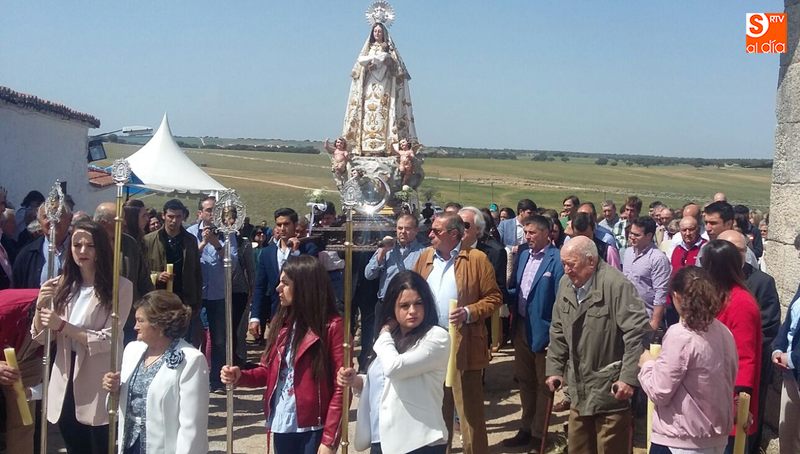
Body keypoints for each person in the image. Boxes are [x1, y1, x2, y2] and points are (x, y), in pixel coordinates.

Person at [221, 255, 345, 454]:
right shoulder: (282, 323)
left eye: (285, 283)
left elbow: (342, 387)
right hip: (282, 419)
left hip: (313, 426)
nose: (278, 288)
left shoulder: (331, 326)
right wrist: (241, 376)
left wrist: (329, 439)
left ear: (304, 287)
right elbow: (268, 371)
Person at [30, 220, 133, 454]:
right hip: (65, 373)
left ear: (100, 250)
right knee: (73, 443)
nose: (82, 251)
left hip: (97, 376)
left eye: (90, 246)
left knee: (98, 444)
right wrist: (40, 306)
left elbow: (109, 339)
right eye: (77, 245)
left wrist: (63, 326)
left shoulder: (121, 288)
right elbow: (41, 338)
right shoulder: (62, 285)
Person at [545, 236, 650, 453]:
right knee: (579, 447)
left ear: (591, 261)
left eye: (571, 264)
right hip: (578, 388)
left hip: (610, 390)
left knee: (610, 448)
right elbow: (558, 330)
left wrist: (628, 378)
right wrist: (554, 369)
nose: (566, 270)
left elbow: (636, 334)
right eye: (563, 263)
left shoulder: (617, 285)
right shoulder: (566, 284)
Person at [412, 213, 502, 454]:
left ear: (453, 235)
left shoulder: (476, 259)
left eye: (436, 231)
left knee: (469, 412)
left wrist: (469, 312)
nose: (430, 234)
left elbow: (494, 298)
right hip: (430, 345)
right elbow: (411, 292)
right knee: (436, 409)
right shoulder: (425, 258)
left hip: (464, 346)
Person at [337, 271, 449, 454]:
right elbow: (385, 383)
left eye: (418, 303)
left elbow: (395, 368)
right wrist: (356, 380)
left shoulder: (436, 337)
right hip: (382, 439)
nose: (412, 311)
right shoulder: (390, 340)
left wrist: (384, 332)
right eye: (404, 305)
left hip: (419, 442)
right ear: (392, 309)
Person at [638, 266, 738, 454]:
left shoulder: (680, 335)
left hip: (680, 440)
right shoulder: (725, 332)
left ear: (676, 296)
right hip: (716, 439)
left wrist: (647, 364)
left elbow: (659, 391)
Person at [102, 290, 209, 454]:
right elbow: (117, 409)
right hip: (129, 446)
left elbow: (192, 425)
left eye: (140, 321)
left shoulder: (191, 360)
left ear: (159, 324)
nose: (134, 326)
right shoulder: (132, 350)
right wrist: (115, 389)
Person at [504, 215, 564, 449]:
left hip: (544, 333)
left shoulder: (557, 260)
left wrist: (556, 336)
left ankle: (539, 435)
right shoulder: (523, 256)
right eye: (525, 232)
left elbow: (561, 301)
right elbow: (516, 289)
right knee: (525, 381)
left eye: (531, 233)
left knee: (543, 384)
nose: (526, 237)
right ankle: (525, 428)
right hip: (521, 327)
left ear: (546, 233)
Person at [719, 230, 781, 452]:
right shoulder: (709, 281)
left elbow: (769, 325)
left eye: (741, 250)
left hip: (742, 373)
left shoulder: (760, 283)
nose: (736, 256)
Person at [700, 239, 762, 453]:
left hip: (730, 401)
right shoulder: (715, 296)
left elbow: (746, 357)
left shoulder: (741, 303)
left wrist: (737, 401)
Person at [186, 196, 239, 393]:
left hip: (218, 294)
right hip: (196, 294)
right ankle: (192, 380)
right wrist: (202, 244)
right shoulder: (190, 233)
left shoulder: (228, 234)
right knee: (193, 339)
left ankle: (216, 380)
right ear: (200, 213)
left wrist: (217, 244)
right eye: (208, 210)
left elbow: (232, 263)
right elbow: (187, 260)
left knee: (218, 340)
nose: (212, 214)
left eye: (215, 210)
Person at [343, 21, 416, 157]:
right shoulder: (368, 49)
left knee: (382, 113)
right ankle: (364, 147)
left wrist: (385, 60)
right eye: (375, 31)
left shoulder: (389, 50)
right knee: (367, 113)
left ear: (384, 33)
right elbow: (359, 66)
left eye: (379, 31)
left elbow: (396, 70)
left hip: (384, 86)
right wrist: (370, 63)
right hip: (369, 87)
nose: (377, 33)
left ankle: (385, 146)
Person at [248, 207, 319, 341]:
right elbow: (260, 286)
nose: (282, 228)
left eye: (286, 224)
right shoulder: (267, 253)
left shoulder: (308, 249)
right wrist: (255, 316)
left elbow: (309, 277)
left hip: (303, 312)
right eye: (279, 224)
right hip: (277, 313)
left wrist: (296, 253)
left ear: (294, 225)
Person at [142, 199, 203, 347]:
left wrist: (196, 301)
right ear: (163, 216)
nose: (174, 221)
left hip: (184, 300)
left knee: (182, 343)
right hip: (159, 301)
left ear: (183, 217)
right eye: (170, 216)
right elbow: (141, 271)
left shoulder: (190, 240)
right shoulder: (149, 240)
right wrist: (156, 276)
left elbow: (196, 272)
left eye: (178, 217)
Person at [94, 202, 154, 344]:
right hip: (95, 322)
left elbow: (143, 281)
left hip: (127, 322)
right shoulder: (86, 244)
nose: (125, 223)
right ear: (103, 223)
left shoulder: (129, 244)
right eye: (120, 219)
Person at [772, 233, 800, 454]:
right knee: (787, 435)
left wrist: (790, 358)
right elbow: (790, 320)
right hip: (791, 373)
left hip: (793, 364)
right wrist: (778, 348)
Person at [623, 217, 671, 331]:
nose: (631, 237)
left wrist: (654, 323)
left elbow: (661, 292)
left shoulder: (658, 259)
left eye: (636, 235)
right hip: (625, 315)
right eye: (631, 233)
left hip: (645, 318)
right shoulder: (628, 252)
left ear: (649, 236)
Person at [12, 203, 72, 289]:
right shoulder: (27, 255)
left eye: (57, 214)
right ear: (39, 222)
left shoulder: (85, 250)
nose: (52, 220)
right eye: (46, 216)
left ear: (70, 218)